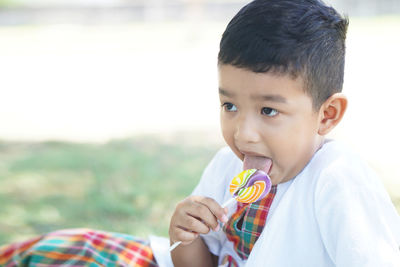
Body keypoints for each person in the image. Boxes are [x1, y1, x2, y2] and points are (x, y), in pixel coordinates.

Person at [1, 0, 399, 266]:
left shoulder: (337, 181)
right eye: (229, 106)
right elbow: (203, 262)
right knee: (62, 249)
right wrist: (187, 234)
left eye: (268, 110)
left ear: (326, 115)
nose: (243, 133)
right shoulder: (229, 166)